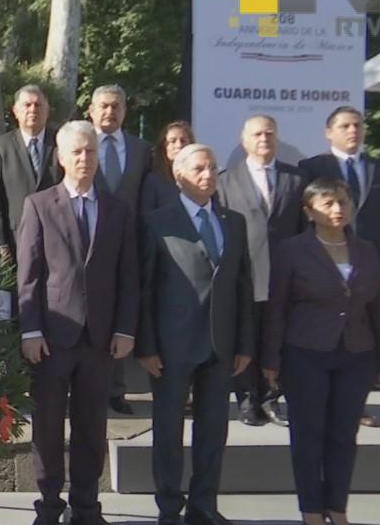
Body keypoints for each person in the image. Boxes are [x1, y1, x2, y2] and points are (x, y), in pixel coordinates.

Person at [17, 121, 139, 525]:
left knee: (92, 427)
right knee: (48, 428)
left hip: (100, 339)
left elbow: (128, 275)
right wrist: (30, 330)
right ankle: (50, 506)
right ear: (61, 157)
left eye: (90, 151)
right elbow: (29, 275)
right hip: (53, 336)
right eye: (77, 152)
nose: (85, 159)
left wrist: (125, 328)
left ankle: (86, 507)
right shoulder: (39, 204)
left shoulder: (118, 208)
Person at [137, 143, 254, 525]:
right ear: (179, 175)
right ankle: (170, 507)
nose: (208, 175)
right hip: (172, 347)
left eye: (213, 168)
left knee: (213, 431)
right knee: (168, 433)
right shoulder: (157, 221)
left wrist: (244, 343)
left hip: (220, 346)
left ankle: (204, 504)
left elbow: (242, 285)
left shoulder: (233, 221)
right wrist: (147, 345)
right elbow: (146, 289)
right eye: (199, 168)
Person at [262, 179, 380, 525]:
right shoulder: (292, 250)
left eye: (344, 203)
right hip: (305, 353)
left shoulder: (366, 249)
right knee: (308, 434)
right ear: (309, 211)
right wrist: (271, 358)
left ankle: (337, 507)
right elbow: (277, 308)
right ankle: (311, 510)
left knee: (344, 435)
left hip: (357, 354)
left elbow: (376, 308)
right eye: (329, 203)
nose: (338, 210)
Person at [298, 106, 380, 428]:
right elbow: (302, 220)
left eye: (357, 125)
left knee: (365, 332)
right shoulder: (312, 168)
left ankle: (358, 405)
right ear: (329, 132)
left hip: (369, 264)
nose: (353, 131)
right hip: (324, 264)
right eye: (344, 126)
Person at [216, 115, 307, 427]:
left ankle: (272, 397)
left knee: (277, 337)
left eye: (269, 133)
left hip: (285, 274)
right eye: (257, 134)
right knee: (245, 337)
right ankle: (246, 399)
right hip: (244, 273)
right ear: (244, 141)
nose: (264, 138)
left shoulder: (297, 179)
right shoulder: (225, 180)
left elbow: (304, 230)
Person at [87, 84, 153, 415]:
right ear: (91, 110)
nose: (109, 112)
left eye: (116, 106)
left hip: (130, 246)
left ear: (125, 110)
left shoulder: (142, 150)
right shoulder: (80, 147)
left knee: (122, 316)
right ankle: (91, 386)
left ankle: (117, 390)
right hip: (89, 245)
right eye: (103, 106)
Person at [0, 85, 62, 260]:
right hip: (16, 240)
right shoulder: (1, 146)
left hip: (57, 237)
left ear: (47, 110)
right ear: (15, 111)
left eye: (38, 105)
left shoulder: (61, 141)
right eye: (27, 105)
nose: (33, 109)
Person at [141, 121, 194, 213]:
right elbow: (147, 217)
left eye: (183, 140)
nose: (179, 145)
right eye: (173, 141)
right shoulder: (154, 181)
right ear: (164, 146)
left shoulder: (200, 177)